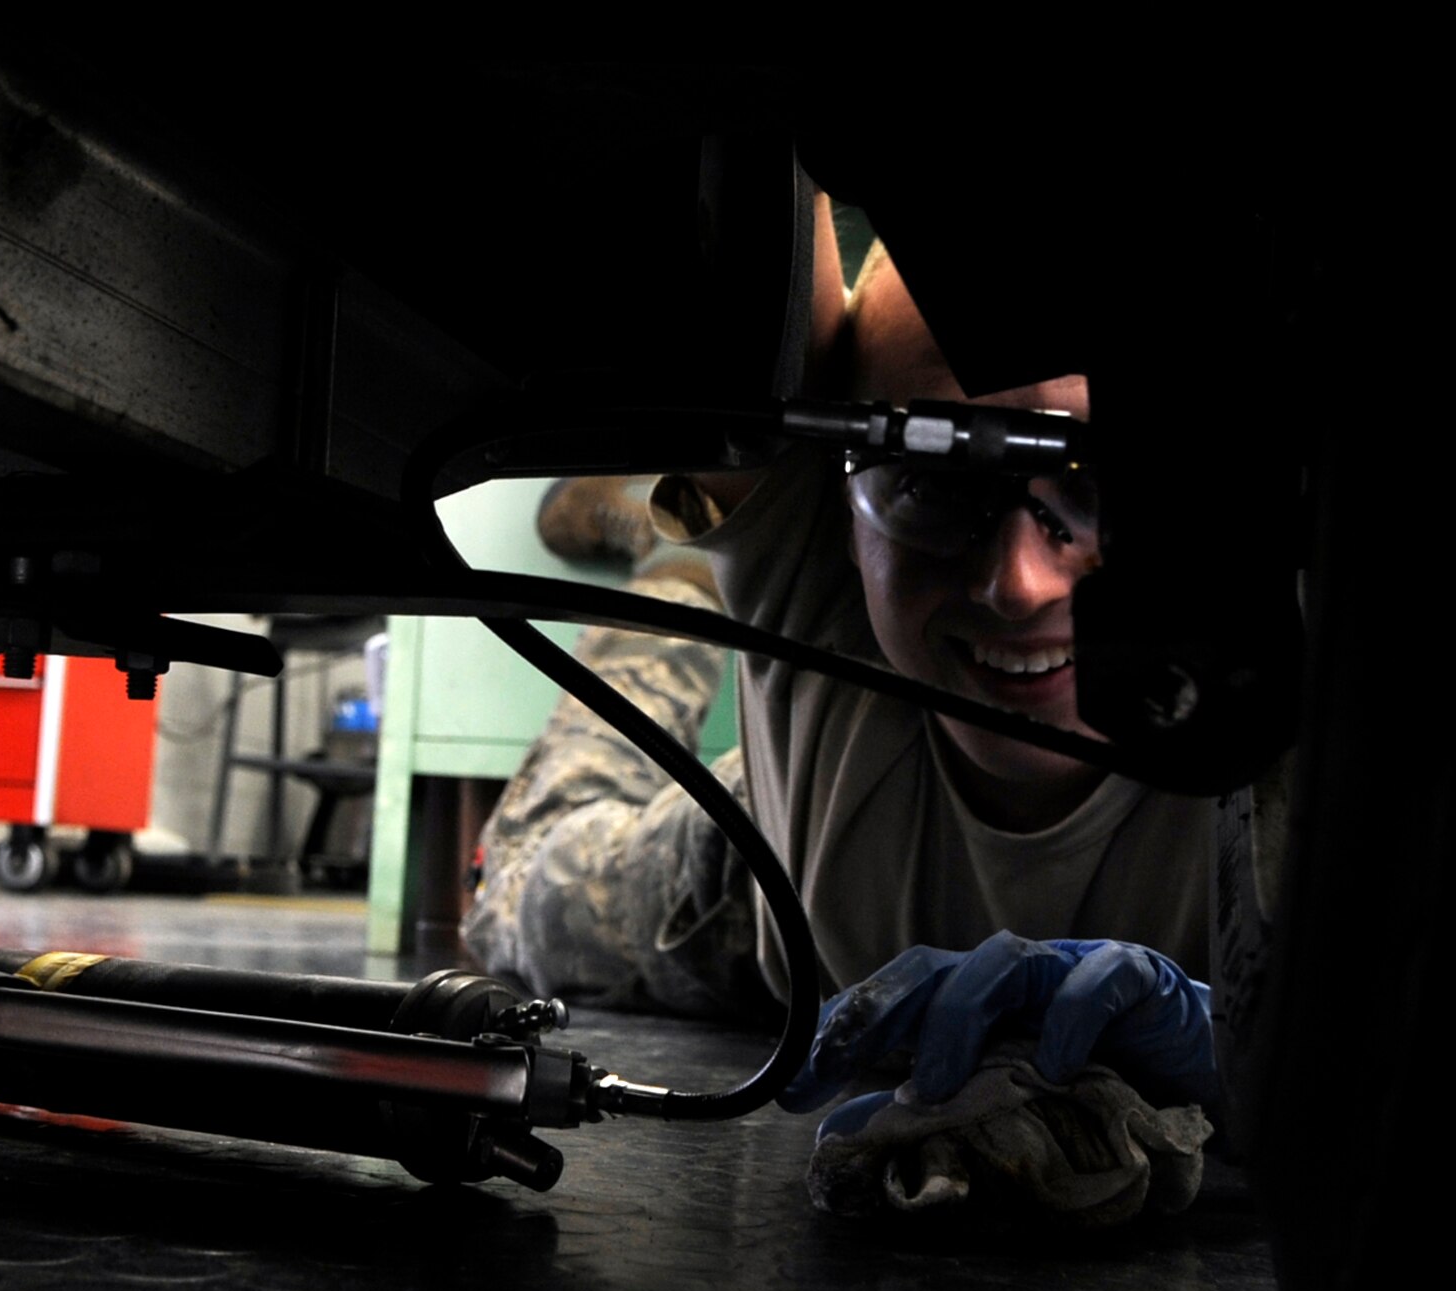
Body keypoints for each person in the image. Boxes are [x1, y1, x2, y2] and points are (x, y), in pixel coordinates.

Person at [462, 198, 1272, 1122]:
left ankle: (707, 516)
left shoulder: (1286, 648)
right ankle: (678, 549)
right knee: (511, 893)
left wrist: (1255, 1041)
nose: (1016, 583)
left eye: (1098, 484)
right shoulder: (837, 508)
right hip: (750, 887)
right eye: (931, 480)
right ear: (841, 511)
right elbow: (755, 144)